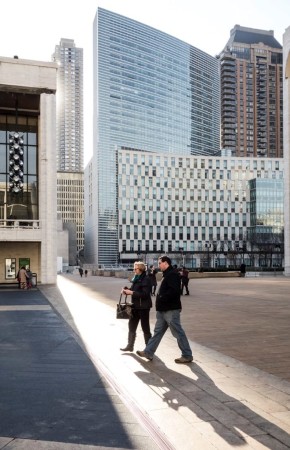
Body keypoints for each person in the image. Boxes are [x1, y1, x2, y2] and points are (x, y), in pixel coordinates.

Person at [137, 255, 193, 364]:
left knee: (178, 332)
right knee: (158, 332)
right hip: (163, 310)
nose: (158, 265)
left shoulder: (172, 275)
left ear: (166, 263)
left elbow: (174, 291)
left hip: (170, 309)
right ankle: (148, 352)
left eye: (160, 263)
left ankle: (187, 355)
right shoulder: (167, 274)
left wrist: (162, 298)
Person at [120, 261, 152, 352]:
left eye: (135, 268)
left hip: (144, 307)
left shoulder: (146, 279)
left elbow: (145, 294)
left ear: (141, 269)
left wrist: (132, 293)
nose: (134, 270)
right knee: (131, 325)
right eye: (134, 268)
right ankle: (130, 346)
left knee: (145, 327)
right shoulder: (136, 278)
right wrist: (127, 290)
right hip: (135, 306)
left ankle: (149, 349)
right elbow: (134, 290)